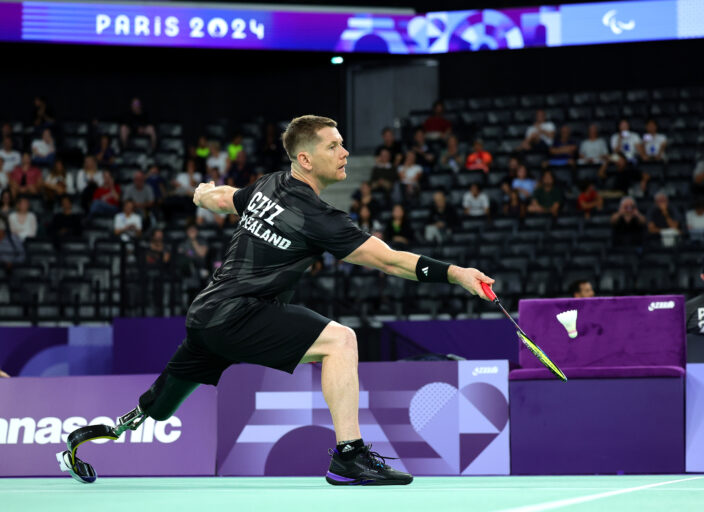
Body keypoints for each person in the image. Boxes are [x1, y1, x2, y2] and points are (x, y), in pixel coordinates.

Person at [61, 115, 494, 487]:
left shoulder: (268, 185)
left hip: (207, 317)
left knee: (157, 410)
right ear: (305, 158)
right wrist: (456, 273)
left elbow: (222, 198)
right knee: (340, 342)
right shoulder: (318, 217)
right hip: (241, 313)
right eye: (334, 145)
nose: (344, 151)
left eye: (342, 144)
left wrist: (200, 194)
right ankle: (349, 456)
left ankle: (99, 435)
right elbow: (389, 261)